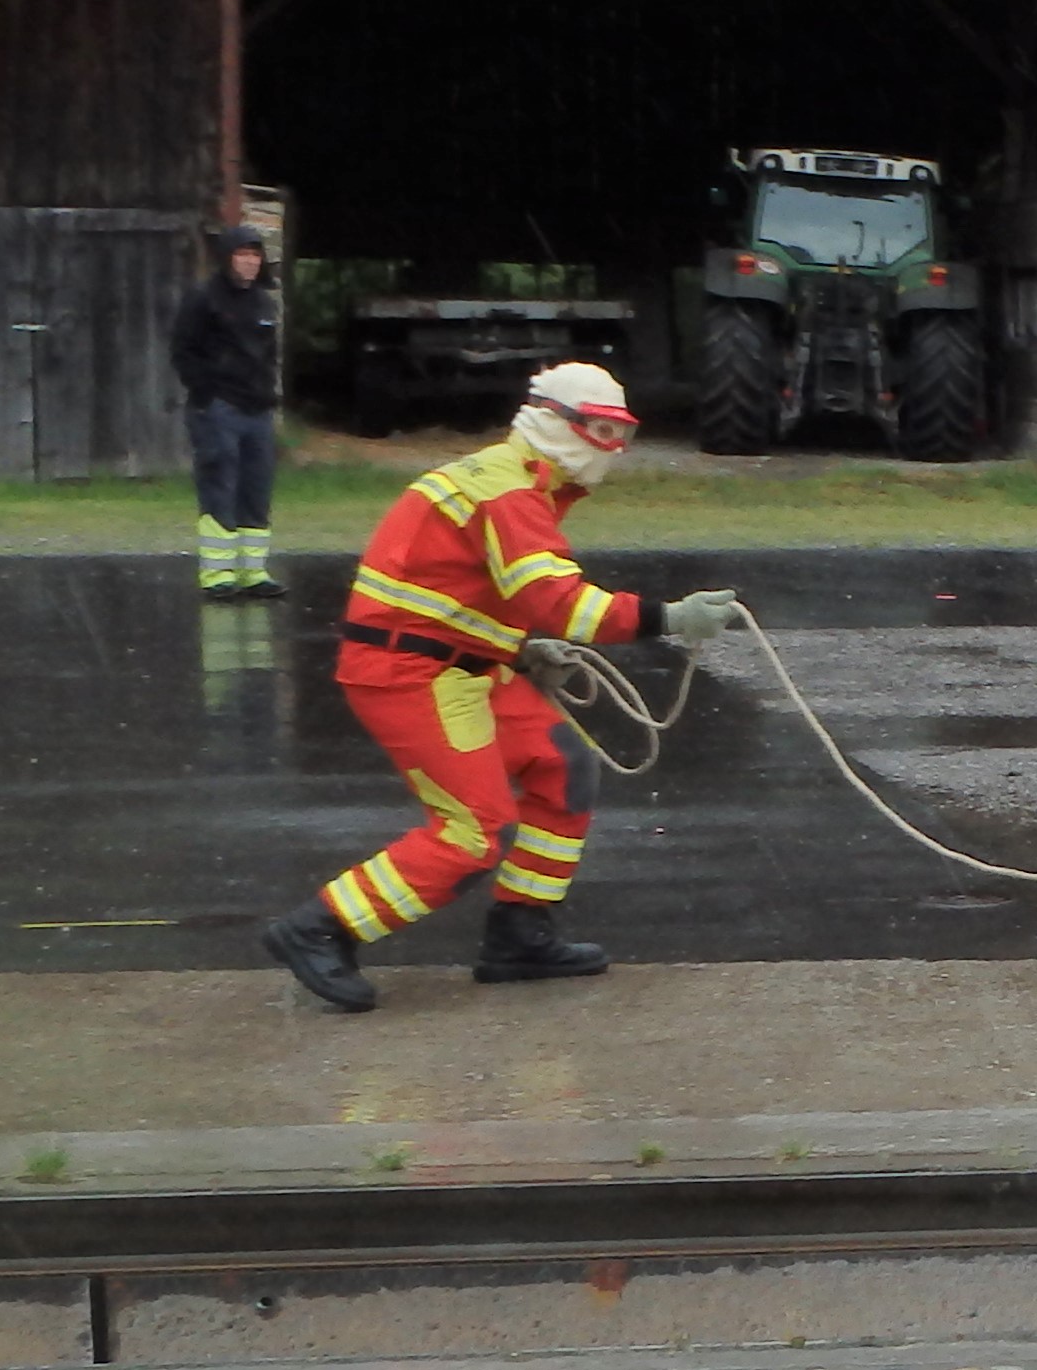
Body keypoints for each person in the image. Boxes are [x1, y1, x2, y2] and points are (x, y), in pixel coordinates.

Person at [263, 362, 726, 1011]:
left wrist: (516, 647)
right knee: (474, 831)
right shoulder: (510, 493)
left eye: (620, 433)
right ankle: (321, 927)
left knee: (562, 768)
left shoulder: (512, 481)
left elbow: (465, 586)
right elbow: (559, 601)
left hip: (461, 663)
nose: (612, 450)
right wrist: (670, 618)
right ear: (556, 422)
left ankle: (520, 933)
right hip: (412, 674)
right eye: (600, 430)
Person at [169, 220, 283, 601]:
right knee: (220, 483)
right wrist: (206, 393)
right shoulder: (204, 298)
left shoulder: (264, 302)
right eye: (242, 254)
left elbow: (269, 356)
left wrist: (268, 396)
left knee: (257, 487)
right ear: (227, 258)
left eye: (255, 254)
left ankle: (253, 572)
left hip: (258, 410)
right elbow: (183, 351)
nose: (250, 262)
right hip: (219, 408)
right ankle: (217, 574)